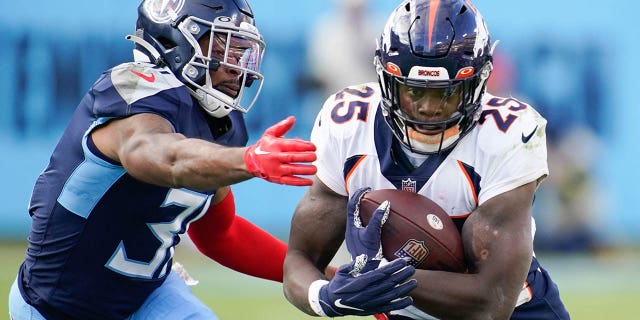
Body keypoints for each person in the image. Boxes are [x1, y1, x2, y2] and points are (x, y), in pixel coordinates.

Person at [8, 0, 318, 319]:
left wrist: (322, 277)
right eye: (222, 47)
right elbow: (161, 155)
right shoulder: (134, 89)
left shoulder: (222, 126)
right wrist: (248, 160)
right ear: (175, 41)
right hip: (56, 307)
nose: (234, 66)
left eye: (239, 52)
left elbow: (222, 235)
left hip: (146, 295)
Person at [282, 0, 571, 319]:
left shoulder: (507, 134)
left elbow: (492, 301)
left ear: (478, 81)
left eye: (446, 93)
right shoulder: (347, 123)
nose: (429, 108)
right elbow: (300, 258)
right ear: (386, 79)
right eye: (414, 91)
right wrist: (323, 297)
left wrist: (382, 278)